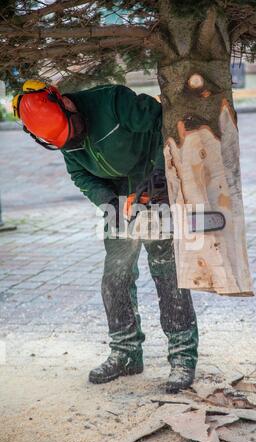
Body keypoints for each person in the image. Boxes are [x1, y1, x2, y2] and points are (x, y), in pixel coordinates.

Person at [13, 80, 198, 393]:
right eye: (64, 141)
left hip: (154, 182)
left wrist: (154, 181)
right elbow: (80, 175)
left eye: (72, 131)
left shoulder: (113, 102)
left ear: (66, 103)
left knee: (166, 270)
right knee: (116, 275)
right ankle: (126, 353)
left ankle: (182, 356)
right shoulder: (63, 137)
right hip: (118, 198)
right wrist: (111, 203)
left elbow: (162, 121)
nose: (72, 140)